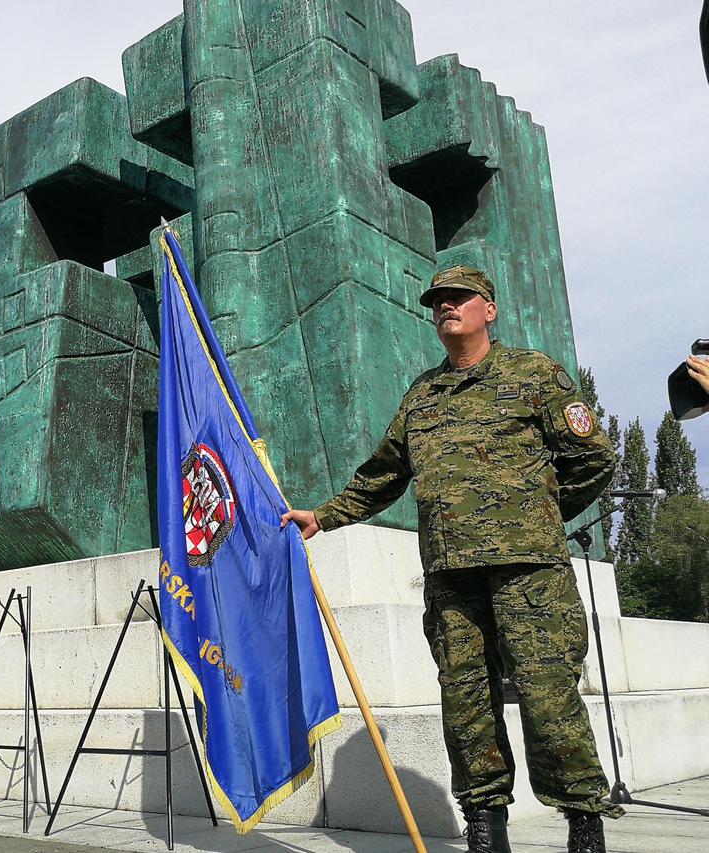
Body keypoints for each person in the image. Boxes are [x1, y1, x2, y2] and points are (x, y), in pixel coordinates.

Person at [282, 266, 619, 853]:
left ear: (489, 309)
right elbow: (383, 475)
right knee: (466, 702)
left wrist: (538, 515)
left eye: (459, 298)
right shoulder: (423, 396)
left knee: (548, 697)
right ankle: (485, 824)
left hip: (529, 572)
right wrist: (323, 517)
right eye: (438, 301)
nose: (446, 307)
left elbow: (592, 458)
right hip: (450, 576)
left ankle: (583, 822)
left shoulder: (535, 375)